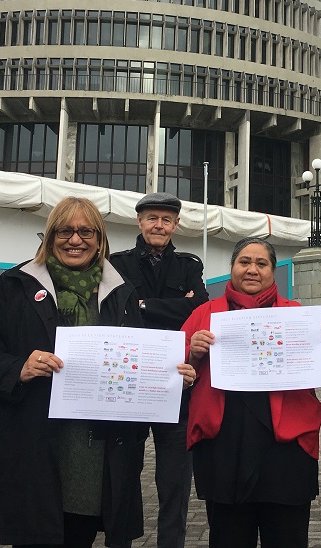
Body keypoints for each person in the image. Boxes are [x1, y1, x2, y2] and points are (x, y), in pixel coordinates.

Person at [0, 196, 196, 548]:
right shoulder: (18, 285)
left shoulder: (121, 292)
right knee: (35, 536)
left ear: (99, 238)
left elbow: (132, 357)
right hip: (33, 445)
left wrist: (167, 378)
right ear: (49, 236)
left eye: (86, 231)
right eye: (65, 231)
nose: (76, 240)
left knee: (81, 535)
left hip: (94, 455)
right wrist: (19, 368)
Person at [183, 237, 321, 548]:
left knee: (287, 537)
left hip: (287, 449)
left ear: (272, 271)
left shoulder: (296, 315)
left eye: (261, 263)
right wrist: (193, 353)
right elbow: (176, 370)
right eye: (244, 262)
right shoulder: (205, 313)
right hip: (223, 446)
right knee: (228, 537)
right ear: (232, 268)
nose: (252, 269)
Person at [110, 192, 209, 548]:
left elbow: (198, 306)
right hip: (130, 382)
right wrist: (172, 307)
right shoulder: (116, 263)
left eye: (166, 220)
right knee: (123, 473)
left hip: (176, 382)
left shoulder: (188, 265)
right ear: (139, 222)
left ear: (175, 225)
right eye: (152, 218)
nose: (159, 225)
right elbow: (118, 310)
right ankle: (119, 540)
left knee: (175, 481)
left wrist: (142, 304)